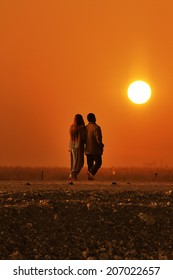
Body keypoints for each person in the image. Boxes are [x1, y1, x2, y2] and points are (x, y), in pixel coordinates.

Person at [85, 113, 104, 180]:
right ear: (94, 118)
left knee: (90, 164)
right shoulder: (97, 127)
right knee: (98, 163)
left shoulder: (86, 127)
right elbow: (98, 139)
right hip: (95, 150)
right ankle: (91, 172)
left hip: (87, 150)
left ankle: (89, 178)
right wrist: (101, 146)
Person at [69, 114, 86, 180]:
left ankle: (72, 175)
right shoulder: (81, 128)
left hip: (72, 146)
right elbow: (83, 138)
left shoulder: (71, 127)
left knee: (73, 162)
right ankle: (73, 174)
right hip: (79, 146)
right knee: (80, 162)